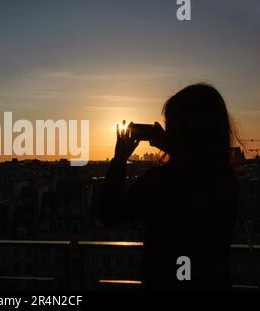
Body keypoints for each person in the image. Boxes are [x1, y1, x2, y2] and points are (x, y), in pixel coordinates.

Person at [100, 83, 239, 290]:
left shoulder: (161, 181)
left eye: (171, 124)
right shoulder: (226, 178)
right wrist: (171, 147)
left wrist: (120, 159)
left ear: (181, 130)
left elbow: (110, 213)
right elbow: (196, 171)